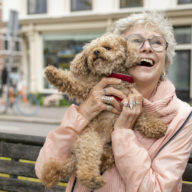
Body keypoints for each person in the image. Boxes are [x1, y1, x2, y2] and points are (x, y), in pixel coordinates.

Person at [35, 11, 192, 192]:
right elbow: (43, 169)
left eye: (157, 42)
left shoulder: (182, 117)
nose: (147, 47)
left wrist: (122, 132)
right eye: (135, 40)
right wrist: (84, 113)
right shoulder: (94, 96)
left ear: (166, 60)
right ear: (123, 55)